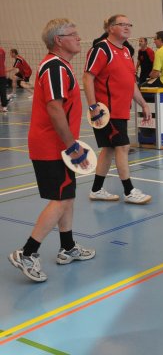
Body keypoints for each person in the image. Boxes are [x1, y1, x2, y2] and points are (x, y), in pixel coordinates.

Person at [8, 19, 95, 283]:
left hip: (58, 146)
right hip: (52, 146)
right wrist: (72, 147)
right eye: (73, 34)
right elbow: (55, 109)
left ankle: (67, 247)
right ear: (58, 40)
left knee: (67, 196)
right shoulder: (55, 67)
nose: (79, 37)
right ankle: (27, 253)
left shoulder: (60, 66)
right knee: (60, 200)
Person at [83, 14, 152, 204]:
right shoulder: (101, 49)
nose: (127, 27)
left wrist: (144, 103)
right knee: (122, 147)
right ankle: (129, 191)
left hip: (122, 110)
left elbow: (130, 83)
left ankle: (96, 189)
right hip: (106, 111)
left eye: (129, 24)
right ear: (110, 28)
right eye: (122, 24)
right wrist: (93, 107)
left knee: (109, 149)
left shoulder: (126, 51)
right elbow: (87, 77)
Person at [0, 45, 8, 112]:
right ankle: (4, 106)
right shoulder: (3, 51)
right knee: (3, 90)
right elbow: (3, 61)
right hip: (2, 74)